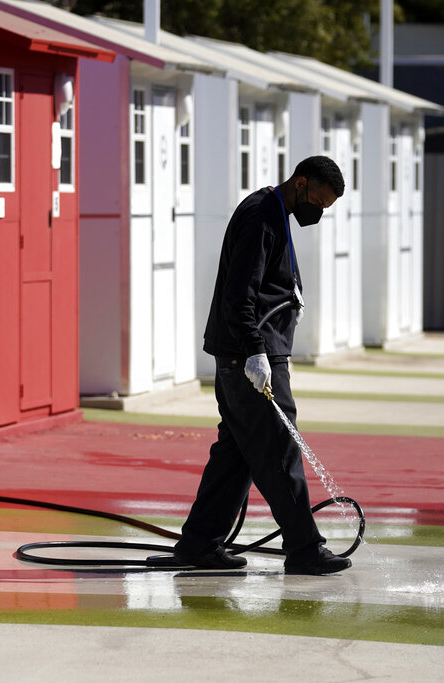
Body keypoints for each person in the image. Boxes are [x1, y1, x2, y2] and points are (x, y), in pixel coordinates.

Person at [173, 155, 350, 575]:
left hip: (249, 354)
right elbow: (241, 292)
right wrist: (255, 351)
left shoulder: (274, 211)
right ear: (301, 182)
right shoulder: (262, 216)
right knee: (279, 451)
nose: (318, 213)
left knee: (235, 456)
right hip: (251, 358)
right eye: (319, 202)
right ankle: (305, 549)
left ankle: (199, 544)